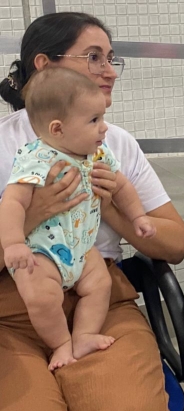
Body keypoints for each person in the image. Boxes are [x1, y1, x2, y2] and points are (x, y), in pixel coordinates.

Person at [0, 12, 184, 411]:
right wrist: (33, 214)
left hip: (99, 296)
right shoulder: (9, 148)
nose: (109, 71)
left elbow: (175, 242)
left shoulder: (113, 143)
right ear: (44, 66)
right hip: (13, 307)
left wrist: (115, 212)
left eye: (111, 58)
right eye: (93, 57)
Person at [0, 68, 157, 370]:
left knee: (100, 284)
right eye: (94, 120)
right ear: (57, 129)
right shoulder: (36, 159)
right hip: (40, 253)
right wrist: (14, 243)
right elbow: (13, 202)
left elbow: (122, 185)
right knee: (41, 298)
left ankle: (84, 335)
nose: (104, 128)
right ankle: (60, 343)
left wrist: (138, 216)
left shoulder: (98, 154)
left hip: (82, 248)